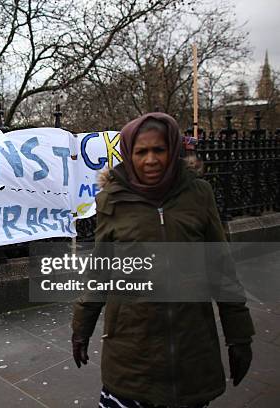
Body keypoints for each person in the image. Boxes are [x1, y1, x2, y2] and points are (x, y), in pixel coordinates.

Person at [71, 112, 255, 408]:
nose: (151, 160)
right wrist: (81, 328)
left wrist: (240, 336)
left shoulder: (198, 194)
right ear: (129, 155)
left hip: (190, 348)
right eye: (141, 152)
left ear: (173, 149)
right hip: (132, 353)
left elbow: (222, 271)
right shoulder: (112, 200)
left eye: (159, 149)